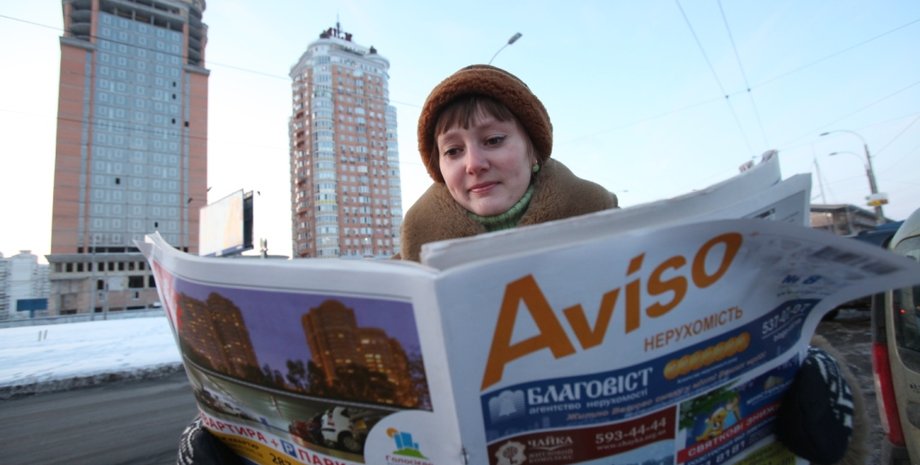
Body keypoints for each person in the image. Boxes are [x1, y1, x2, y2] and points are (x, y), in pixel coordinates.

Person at [178, 64, 867, 465]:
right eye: (453, 151)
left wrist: (812, 386)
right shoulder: (412, 254)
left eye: (493, 139)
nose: (473, 162)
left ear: (533, 150)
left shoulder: (614, 227)